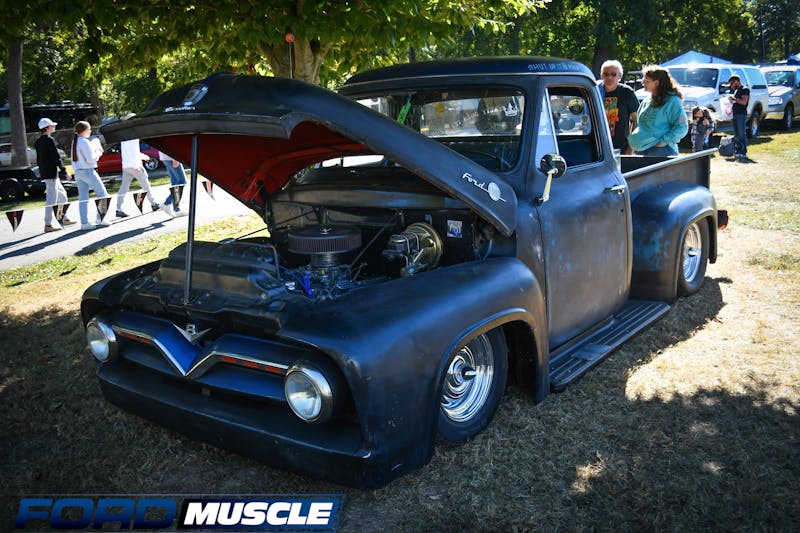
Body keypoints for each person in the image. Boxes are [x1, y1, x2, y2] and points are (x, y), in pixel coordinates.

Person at [628, 65, 688, 156]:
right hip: (642, 149)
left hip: (662, 151)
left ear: (656, 83)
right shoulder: (646, 101)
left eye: (646, 81)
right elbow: (639, 125)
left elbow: (682, 127)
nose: (643, 83)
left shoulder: (673, 101)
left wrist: (662, 142)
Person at [34, 117, 76, 232]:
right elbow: (56, 157)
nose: (54, 127)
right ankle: (48, 224)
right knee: (51, 199)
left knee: (63, 196)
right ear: (47, 128)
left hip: (48, 173)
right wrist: (64, 171)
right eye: (52, 125)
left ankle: (63, 217)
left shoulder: (38, 142)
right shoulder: (49, 140)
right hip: (51, 174)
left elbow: (39, 160)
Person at [71, 121, 111, 230]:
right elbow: (91, 159)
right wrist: (98, 152)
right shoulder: (84, 141)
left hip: (78, 172)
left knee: (83, 198)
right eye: (89, 129)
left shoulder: (75, 141)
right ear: (84, 130)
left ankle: (84, 223)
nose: (90, 131)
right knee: (103, 194)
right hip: (88, 171)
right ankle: (101, 218)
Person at [598, 60, 639, 154]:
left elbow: (637, 121)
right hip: (598, 146)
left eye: (613, 74)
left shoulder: (627, 92)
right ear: (601, 76)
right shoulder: (595, 92)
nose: (609, 77)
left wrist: (631, 148)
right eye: (606, 74)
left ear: (620, 76)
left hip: (621, 148)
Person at [115, 139, 159, 217]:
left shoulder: (123, 140)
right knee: (146, 185)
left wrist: (144, 157)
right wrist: (136, 166)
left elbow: (130, 153)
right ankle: (153, 203)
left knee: (124, 188)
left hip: (126, 166)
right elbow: (135, 153)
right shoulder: (134, 139)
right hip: (136, 166)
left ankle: (118, 208)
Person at [158, 151, 188, 218]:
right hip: (171, 158)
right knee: (182, 182)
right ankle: (167, 203)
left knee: (175, 183)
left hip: (165, 157)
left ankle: (176, 210)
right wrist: (175, 158)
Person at [727, 74, 750, 159]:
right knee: (736, 134)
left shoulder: (745, 89)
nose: (731, 86)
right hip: (735, 114)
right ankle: (737, 150)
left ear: (736, 81)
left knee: (741, 133)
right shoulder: (736, 91)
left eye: (732, 83)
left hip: (741, 114)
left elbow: (744, 102)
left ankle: (743, 152)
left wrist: (734, 99)